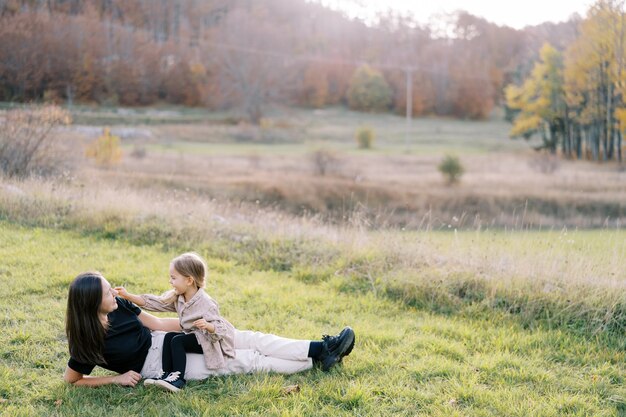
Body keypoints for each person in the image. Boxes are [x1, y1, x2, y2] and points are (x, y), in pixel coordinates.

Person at [63, 269, 355, 389]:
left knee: (247, 338)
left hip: (170, 339)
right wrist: (117, 379)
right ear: (90, 304)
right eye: (106, 293)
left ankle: (320, 348)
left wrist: (207, 326)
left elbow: (159, 324)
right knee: (245, 360)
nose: (113, 294)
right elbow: (73, 381)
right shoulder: (85, 342)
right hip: (163, 364)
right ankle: (316, 360)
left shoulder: (121, 306)